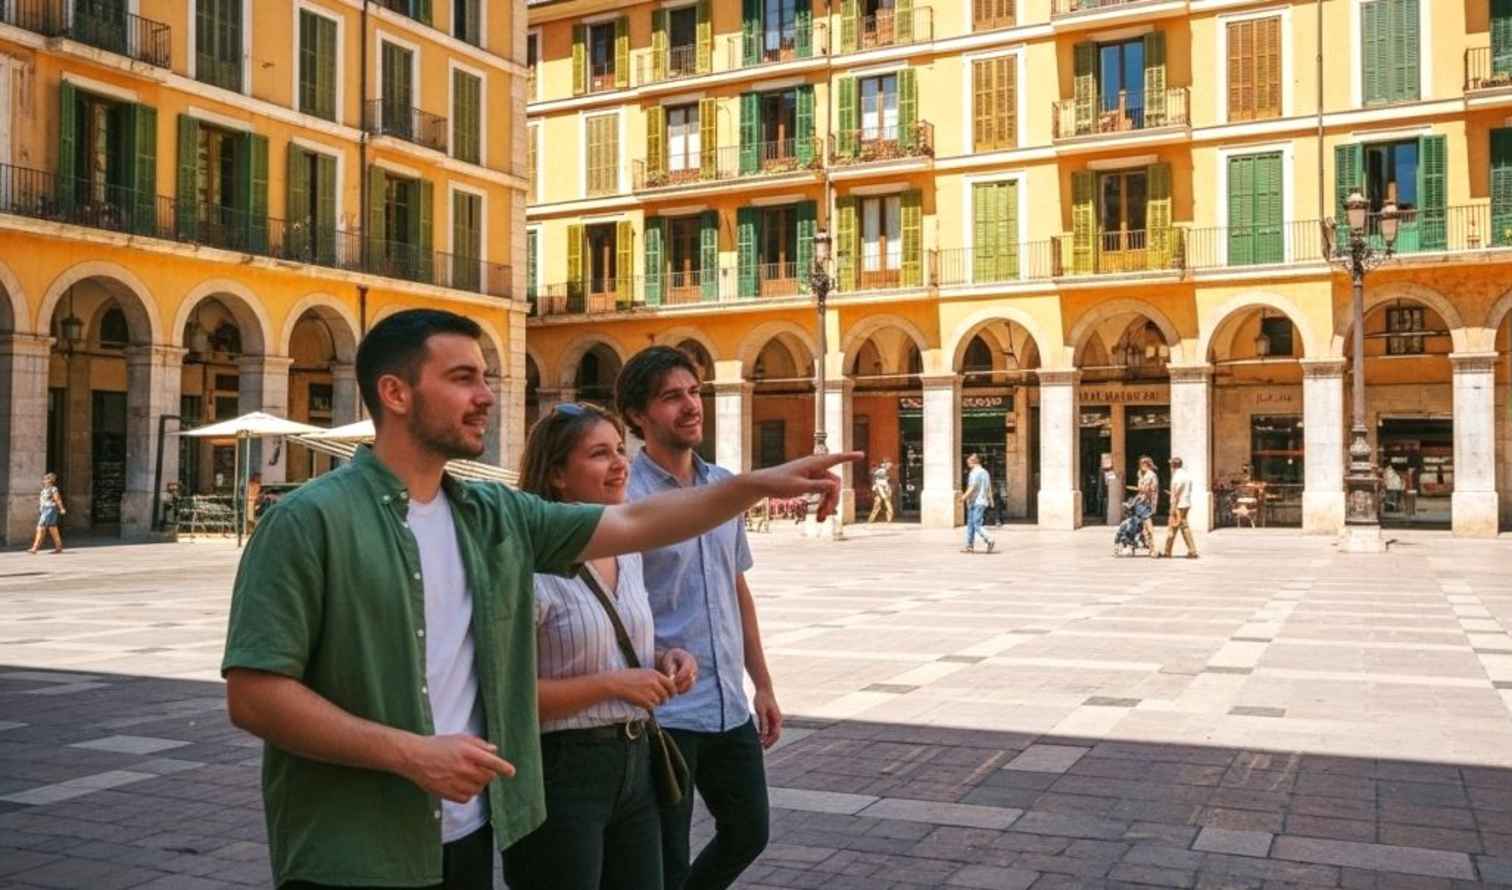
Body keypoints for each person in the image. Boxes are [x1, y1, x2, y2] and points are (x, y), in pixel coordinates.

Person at [221, 310, 858, 890]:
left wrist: (756, 484)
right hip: (353, 849)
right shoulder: (308, 522)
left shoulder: (490, 514)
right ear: (396, 392)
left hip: (469, 832)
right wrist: (411, 755)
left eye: (485, 377)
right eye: (463, 378)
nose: (486, 396)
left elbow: (635, 525)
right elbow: (254, 695)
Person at [504, 401, 697, 890]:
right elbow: (509, 695)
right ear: (558, 476)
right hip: (561, 772)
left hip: (635, 763)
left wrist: (662, 660)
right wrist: (613, 684)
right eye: (598, 454)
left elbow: (612, 640)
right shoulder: (526, 563)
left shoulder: (625, 546)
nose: (619, 464)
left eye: (619, 450)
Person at [618, 346, 780, 890]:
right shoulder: (626, 497)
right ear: (639, 416)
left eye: (694, 392)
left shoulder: (724, 485)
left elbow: (738, 589)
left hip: (727, 704)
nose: (690, 406)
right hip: (666, 712)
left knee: (748, 832)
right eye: (672, 397)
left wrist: (763, 684)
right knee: (667, 855)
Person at [1160, 456, 1198, 559]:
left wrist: (1172, 509)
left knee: (1172, 527)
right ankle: (1192, 550)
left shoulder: (1177, 477)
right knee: (1184, 527)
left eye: (1171, 464)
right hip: (1186, 503)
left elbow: (1177, 494)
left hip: (1178, 505)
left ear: (1173, 465)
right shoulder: (1186, 475)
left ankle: (1167, 552)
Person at [958, 453, 995, 554]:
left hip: (977, 502)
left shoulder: (975, 472)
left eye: (969, 461)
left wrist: (964, 497)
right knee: (970, 524)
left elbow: (972, 487)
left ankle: (989, 539)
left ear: (974, 461)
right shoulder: (985, 472)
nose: (968, 463)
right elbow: (989, 488)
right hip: (979, 502)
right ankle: (969, 546)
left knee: (976, 524)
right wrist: (991, 501)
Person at [29, 473, 65, 554]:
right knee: (53, 528)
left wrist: (61, 508)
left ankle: (35, 548)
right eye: (44, 479)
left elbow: (57, 499)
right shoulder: (44, 490)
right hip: (46, 509)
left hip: (49, 509)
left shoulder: (53, 489)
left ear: (50, 480)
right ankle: (59, 547)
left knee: (40, 528)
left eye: (45, 479)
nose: (43, 480)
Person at [1135, 455, 1159, 554]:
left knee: (1148, 526)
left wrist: (1144, 490)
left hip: (1147, 502)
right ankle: (1149, 546)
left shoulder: (1151, 475)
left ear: (1147, 464)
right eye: (1140, 464)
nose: (1141, 466)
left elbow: (1152, 489)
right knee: (1143, 526)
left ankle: (1153, 548)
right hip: (1141, 502)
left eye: (1143, 464)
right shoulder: (1141, 474)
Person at [867, 459, 895, 523]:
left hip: (882, 491)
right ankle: (872, 520)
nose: (890, 466)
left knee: (879, 506)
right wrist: (884, 493)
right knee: (883, 505)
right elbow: (880, 483)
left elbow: (880, 481)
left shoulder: (883, 471)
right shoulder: (881, 471)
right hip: (881, 491)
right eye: (889, 465)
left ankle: (871, 520)